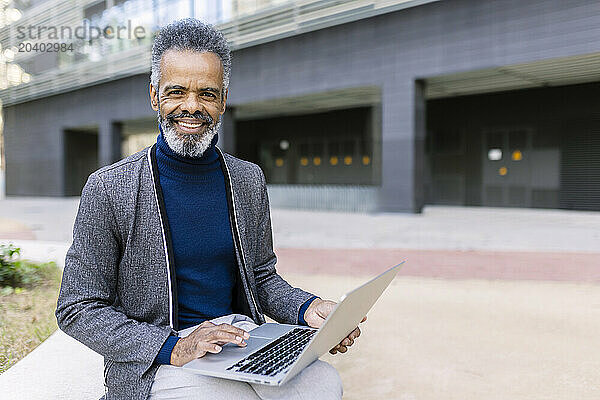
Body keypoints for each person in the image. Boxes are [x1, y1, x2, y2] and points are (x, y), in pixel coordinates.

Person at [55, 18, 364, 400]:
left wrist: (309, 309)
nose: (191, 106)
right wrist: (174, 347)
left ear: (223, 100)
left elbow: (262, 277)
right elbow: (78, 307)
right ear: (154, 96)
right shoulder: (109, 188)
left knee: (323, 384)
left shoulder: (247, 179)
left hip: (240, 337)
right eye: (177, 92)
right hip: (160, 355)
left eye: (207, 93)